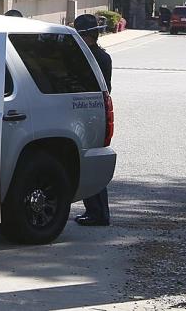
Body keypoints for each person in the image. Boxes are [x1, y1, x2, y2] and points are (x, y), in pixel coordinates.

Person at [73, 13, 112, 226]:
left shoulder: (85, 57)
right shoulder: (103, 56)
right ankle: (98, 211)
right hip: (96, 113)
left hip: (87, 114)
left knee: (87, 162)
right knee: (92, 161)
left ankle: (97, 213)